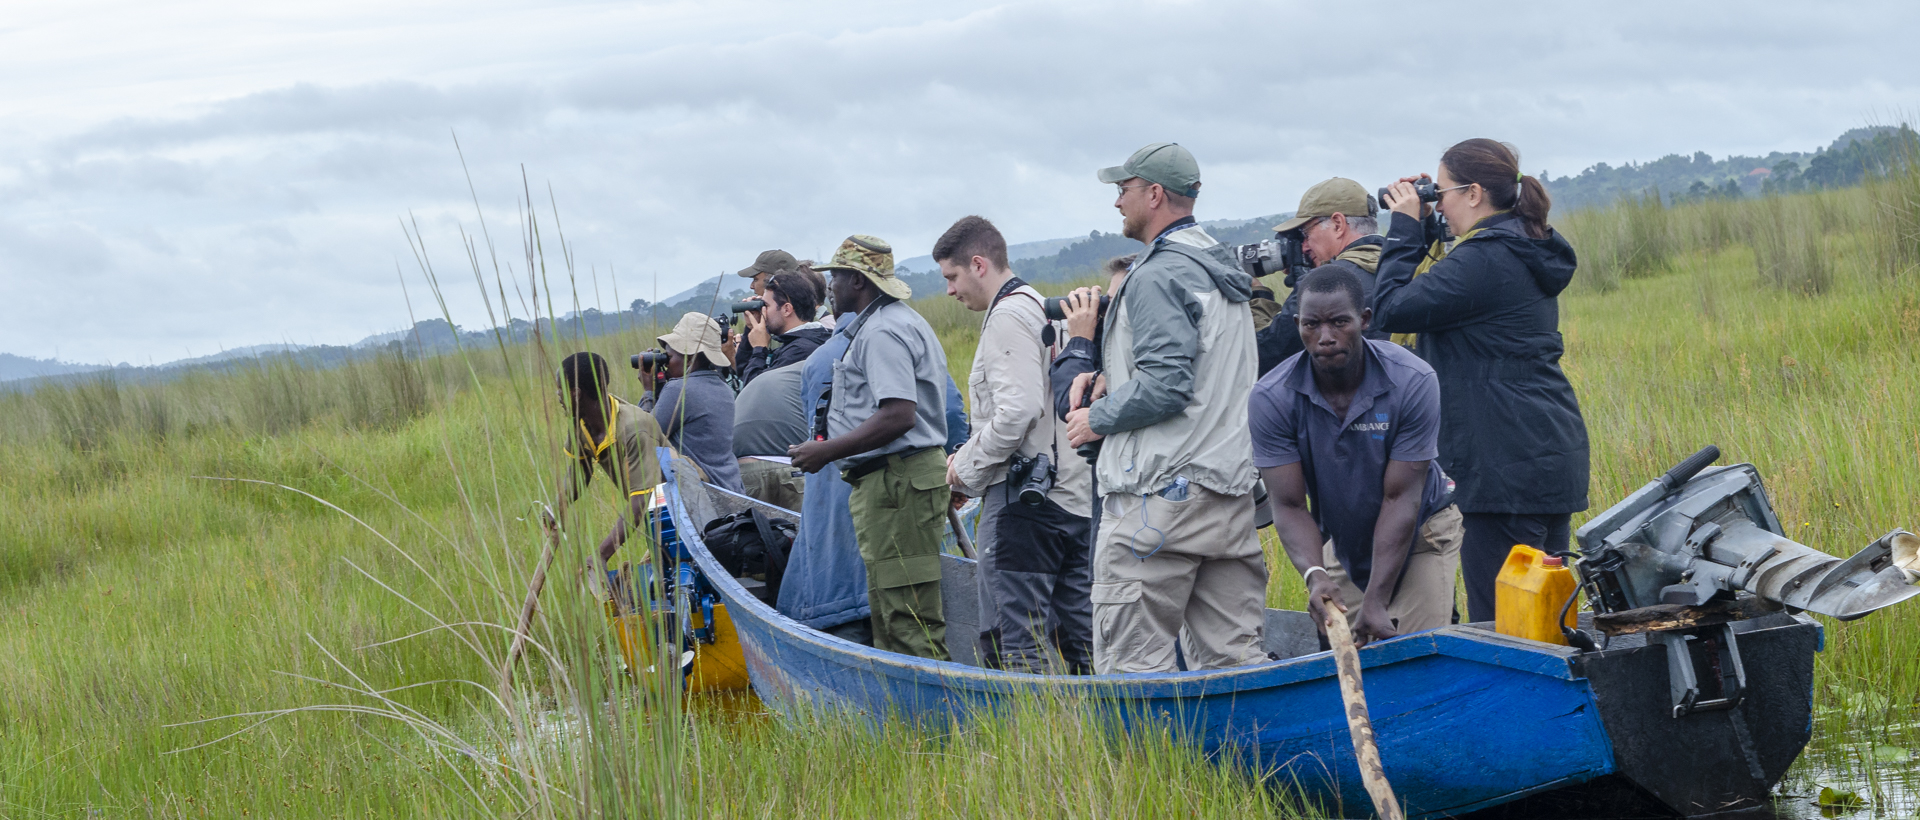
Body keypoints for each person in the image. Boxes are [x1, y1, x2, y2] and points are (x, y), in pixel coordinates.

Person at [1064, 142, 1267, 674]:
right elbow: (1200, 371)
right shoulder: (1219, 267)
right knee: (1234, 664)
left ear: (1154, 194)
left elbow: (1167, 385)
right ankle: (1242, 759)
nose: (1117, 203)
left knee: (1131, 665)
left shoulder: (1155, 274)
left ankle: (1139, 759)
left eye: (1123, 190)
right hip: (1227, 492)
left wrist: (1096, 418)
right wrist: (1115, 376)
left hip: (1158, 497)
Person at [1371, 138, 1589, 623]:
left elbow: (1387, 310)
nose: (1438, 205)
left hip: (1504, 465)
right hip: (1542, 451)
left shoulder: (1484, 259)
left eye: (1440, 193)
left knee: (1505, 627)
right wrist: (1425, 227)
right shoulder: (1520, 246)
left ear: (1473, 194)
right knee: (1543, 620)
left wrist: (1405, 228)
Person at [1251, 266, 1463, 647]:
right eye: (1312, 325)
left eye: (1339, 322)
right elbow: (1289, 504)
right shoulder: (1272, 398)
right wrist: (1315, 574)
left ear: (1364, 320)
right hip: (1346, 540)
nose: (1326, 337)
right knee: (1348, 660)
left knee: (1416, 654)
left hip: (1421, 530)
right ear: (1298, 324)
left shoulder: (1412, 381)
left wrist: (1376, 599)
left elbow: (1402, 497)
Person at [936, 215, 1095, 674]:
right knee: (1081, 638)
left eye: (952, 276)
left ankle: (1037, 740)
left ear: (978, 264)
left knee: (1015, 642)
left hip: (1026, 508)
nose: (949, 290)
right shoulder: (1049, 310)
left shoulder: (1006, 317)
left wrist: (963, 469)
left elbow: (1017, 411)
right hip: (1076, 500)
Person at [789, 235, 953, 661]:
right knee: (891, 608)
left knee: (908, 617)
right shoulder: (890, 322)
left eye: (838, 277)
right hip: (892, 482)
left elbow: (899, 414)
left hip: (898, 482)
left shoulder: (882, 330)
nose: (831, 287)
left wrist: (827, 451)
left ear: (859, 281)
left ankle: (937, 717)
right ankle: (910, 718)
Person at [1256, 178, 1390, 376]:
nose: (1305, 246)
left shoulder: (1322, 285)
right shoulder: (1401, 266)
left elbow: (1266, 354)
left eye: (1306, 233)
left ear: (1338, 224)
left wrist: (1258, 296)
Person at [550, 352, 672, 564]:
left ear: (576, 394)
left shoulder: (635, 428)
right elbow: (579, 473)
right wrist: (556, 507)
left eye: (561, 389)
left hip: (682, 511)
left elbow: (641, 501)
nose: (557, 395)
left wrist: (601, 555)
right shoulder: (580, 422)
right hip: (656, 517)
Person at [642, 313, 746, 494]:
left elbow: (644, 436)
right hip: (731, 489)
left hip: (702, 496)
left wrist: (648, 391)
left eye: (669, 357)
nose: (666, 364)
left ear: (689, 359)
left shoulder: (678, 390)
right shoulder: (723, 388)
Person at [732, 359, 808, 512]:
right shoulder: (823, 371)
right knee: (803, 531)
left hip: (744, 468)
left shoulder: (771, 377)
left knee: (755, 533)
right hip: (788, 464)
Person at [737, 270, 833, 386]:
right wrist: (751, 327)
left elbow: (756, 390)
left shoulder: (799, 351)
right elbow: (743, 372)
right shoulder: (802, 342)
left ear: (787, 309)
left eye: (766, 306)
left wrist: (759, 349)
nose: (763, 312)